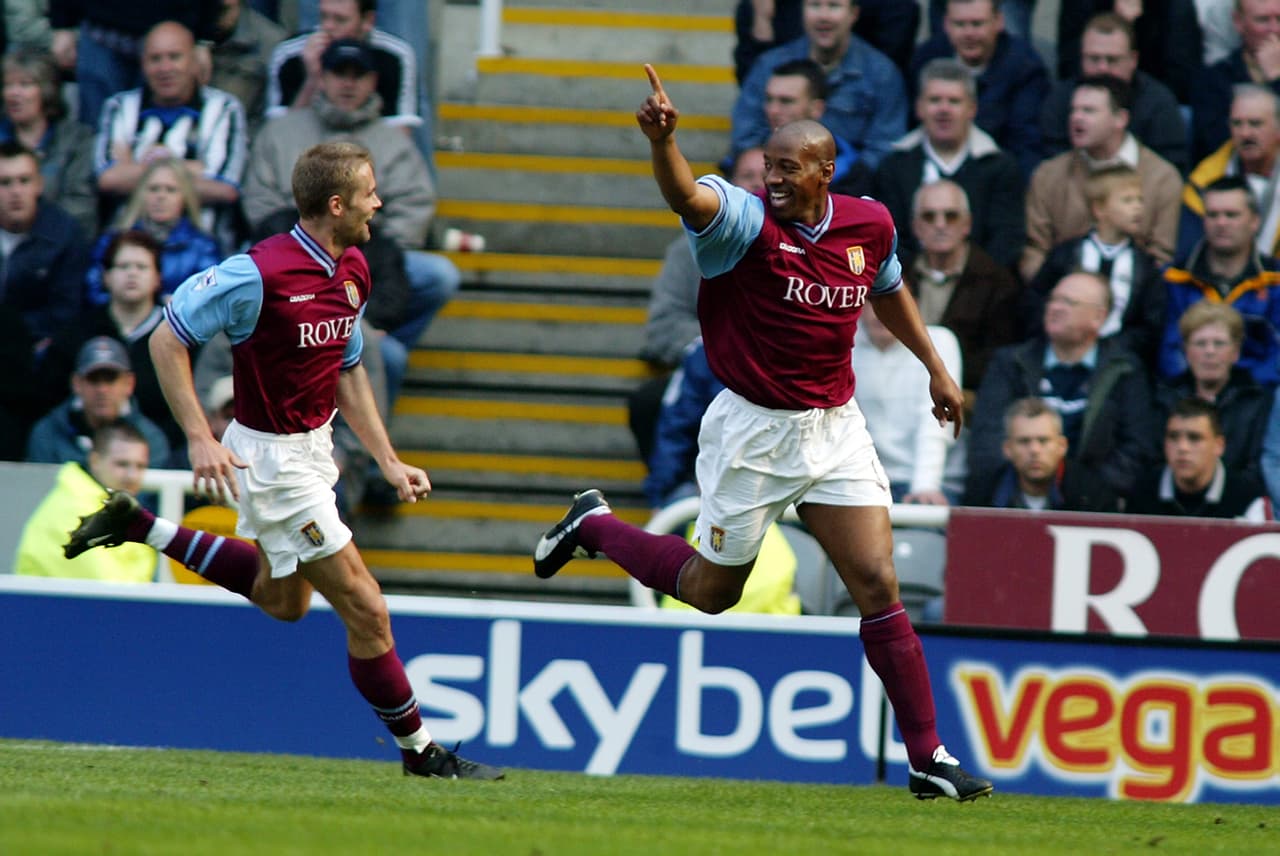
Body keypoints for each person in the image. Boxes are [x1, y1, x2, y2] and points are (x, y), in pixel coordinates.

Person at [534, 65, 993, 802]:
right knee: (713, 592)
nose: (772, 178)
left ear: (825, 170)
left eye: (787, 168)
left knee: (878, 583)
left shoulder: (868, 223)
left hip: (834, 428)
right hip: (752, 433)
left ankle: (927, 757)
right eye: (767, 166)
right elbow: (688, 194)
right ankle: (597, 526)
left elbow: (889, 286)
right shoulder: (743, 222)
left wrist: (935, 368)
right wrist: (665, 144)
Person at [63, 141, 502, 781]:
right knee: (367, 609)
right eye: (368, 192)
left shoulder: (354, 266)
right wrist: (197, 436)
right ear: (335, 204)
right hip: (271, 463)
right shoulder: (256, 273)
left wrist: (385, 456)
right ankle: (422, 754)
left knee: (285, 602)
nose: (378, 202)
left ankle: (140, 527)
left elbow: (347, 366)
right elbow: (166, 337)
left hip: (315, 448)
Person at [244, 38, 459, 405]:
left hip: (371, 253)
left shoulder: (393, 142)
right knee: (239, 265)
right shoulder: (281, 132)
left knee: (439, 276)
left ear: (373, 81)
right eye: (338, 73)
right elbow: (259, 204)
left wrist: (367, 246)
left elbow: (414, 208)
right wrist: (308, 247)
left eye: (358, 75)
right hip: (290, 252)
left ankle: (369, 343)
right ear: (321, 77)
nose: (348, 83)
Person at [967, 271, 1159, 503]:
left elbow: (1137, 449)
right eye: (1053, 299)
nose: (1055, 308)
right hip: (1015, 499)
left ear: (1098, 318)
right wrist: (1026, 486)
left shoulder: (1126, 370)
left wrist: (1085, 491)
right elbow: (987, 440)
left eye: (1068, 302)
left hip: (1094, 504)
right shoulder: (1010, 363)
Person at [631, 147, 767, 462]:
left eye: (765, 177)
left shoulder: (799, 245)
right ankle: (672, 498)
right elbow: (664, 326)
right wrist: (725, 345)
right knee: (649, 404)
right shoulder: (686, 251)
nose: (757, 185)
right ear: (730, 185)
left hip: (775, 375)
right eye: (747, 177)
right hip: (706, 370)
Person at [94, 21, 248, 246]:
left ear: (195, 61)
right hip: (130, 253)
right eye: (155, 59)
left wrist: (136, 168)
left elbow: (225, 189)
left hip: (206, 254)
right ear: (142, 63)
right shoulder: (119, 106)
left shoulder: (224, 108)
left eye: (174, 57)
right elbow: (108, 180)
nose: (165, 68)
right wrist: (191, 168)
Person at [1020, 75, 1182, 284]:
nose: (1076, 118)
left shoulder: (1163, 178)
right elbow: (1034, 249)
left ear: (1120, 119)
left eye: (1089, 111)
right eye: (1074, 110)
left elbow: (1162, 256)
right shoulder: (1047, 175)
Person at [37, 231, 182, 458]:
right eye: (123, 266)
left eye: (142, 267)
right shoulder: (76, 331)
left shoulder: (177, 335)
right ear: (105, 277)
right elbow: (49, 398)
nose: (132, 274)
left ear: (158, 278)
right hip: (78, 449)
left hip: (157, 453)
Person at [873, 58, 1025, 269]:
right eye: (935, 100)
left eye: (954, 101)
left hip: (981, 290)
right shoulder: (893, 166)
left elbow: (1005, 242)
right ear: (919, 107)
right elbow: (889, 240)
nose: (943, 110)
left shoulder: (1000, 167)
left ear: (972, 108)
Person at [730, 0, 907, 171]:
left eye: (834, 5)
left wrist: (848, 175)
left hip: (854, 186)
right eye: (814, 5)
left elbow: (886, 145)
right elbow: (746, 136)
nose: (823, 16)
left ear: (853, 13)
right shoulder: (769, 66)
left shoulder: (882, 73)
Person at [1025, 164, 1166, 366]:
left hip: (1120, 362)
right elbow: (1035, 301)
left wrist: (1117, 347)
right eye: (1127, 200)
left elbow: (1151, 323)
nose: (1138, 207)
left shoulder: (1145, 266)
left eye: (1140, 200)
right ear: (1099, 209)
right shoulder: (1066, 255)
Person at [899, 180, 1021, 404]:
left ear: (967, 224)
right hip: (899, 393)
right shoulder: (896, 277)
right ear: (916, 226)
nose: (940, 224)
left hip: (967, 399)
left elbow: (998, 358)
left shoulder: (997, 282)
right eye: (929, 216)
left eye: (951, 216)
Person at [1160, 175, 1280, 386]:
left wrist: (1241, 392)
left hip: (1258, 399)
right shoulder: (1173, 278)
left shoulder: (1275, 280)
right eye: (1213, 215)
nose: (1221, 223)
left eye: (1231, 215)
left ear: (1254, 221)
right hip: (1188, 397)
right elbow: (1168, 349)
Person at [909, 0, 1051, 178]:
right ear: (945, 24)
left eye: (977, 24)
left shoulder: (1024, 66)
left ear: (999, 21)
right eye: (960, 24)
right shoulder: (926, 59)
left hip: (997, 174)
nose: (969, 33)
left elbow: (1025, 142)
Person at [1039, 12, 1189, 174]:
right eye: (1094, 59)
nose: (1103, 68)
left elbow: (1172, 172)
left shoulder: (1159, 104)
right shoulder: (1060, 100)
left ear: (1133, 60)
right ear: (1081, 58)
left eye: (1112, 60)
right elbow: (1050, 164)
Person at [853, 300, 966, 505]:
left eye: (892, 303)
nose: (882, 311)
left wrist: (925, 486)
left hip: (935, 483)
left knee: (919, 533)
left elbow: (936, 424)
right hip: (865, 483)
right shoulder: (845, 344)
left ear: (911, 308)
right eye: (872, 303)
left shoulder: (939, 340)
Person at [15, 421, 156, 582]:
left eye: (140, 466)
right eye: (122, 464)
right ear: (95, 461)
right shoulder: (73, 508)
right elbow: (108, 592)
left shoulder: (113, 509)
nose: (132, 476)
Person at [1156, 301, 1271, 483]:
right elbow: (1155, 460)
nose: (1209, 351)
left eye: (1219, 343)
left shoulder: (1257, 399)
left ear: (1236, 352)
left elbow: (1256, 465)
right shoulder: (1165, 397)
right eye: (1200, 343)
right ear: (1186, 350)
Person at [0, 140, 92, 364]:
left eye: (24, 180)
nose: (16, 192)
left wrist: (12, 333)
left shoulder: (64, 234)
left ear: (39, 184)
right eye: (5, 182)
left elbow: (65, 311)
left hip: (37, 351)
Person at [85, 158, 223, 306]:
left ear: (184, 197)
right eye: (154, 189)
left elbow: (211, 299)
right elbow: (93, 291)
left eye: (170, 190)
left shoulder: (203, 247)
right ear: (141, 194)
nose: (160, 197)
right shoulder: (112, 242)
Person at [265, 0, 419, 130]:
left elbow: (400, 139)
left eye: (340, 20)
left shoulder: (395, 56)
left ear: (368, 21)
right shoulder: (290, 54)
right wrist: (312, 80)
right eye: (324, 17)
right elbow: (278, 138)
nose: (328, 27)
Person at [27, 336, 171, 468]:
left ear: (129, 383)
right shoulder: (47, 434)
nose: (102, 389)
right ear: (76, 383)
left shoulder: (151, 439)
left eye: (110, 379)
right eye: (93, 379)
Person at [0, 48, 98, 237]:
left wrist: (32, 224)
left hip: (57, 246)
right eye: (8, 85)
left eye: (24, 84)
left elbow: (81, 208)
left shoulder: (76, 140)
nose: (13, 93)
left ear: (46, 90)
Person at [961, 397, 1119, 511]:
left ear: (1062, 446)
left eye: (1043, 441)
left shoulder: (1092, 494)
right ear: (1007, 449)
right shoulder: (983, 494)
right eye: (1024, 441)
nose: (1034, 450)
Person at [1128, 397, 1273, 520]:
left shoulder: (1247, 499)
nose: (1182, 447)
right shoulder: (1142, 493)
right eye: (1173, 437)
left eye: (1194, 438)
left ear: (1219, 446)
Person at [1179, 85, 1280, 260]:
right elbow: (1191, 254)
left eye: (1255, 124)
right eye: (1237, 124)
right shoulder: (1204, 180)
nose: (1246, 133)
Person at [754, 58, 874, 196]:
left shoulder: (850, 172)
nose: (773, 110)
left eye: (786, 101)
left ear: (817, 109)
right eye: (769, 99)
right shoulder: (749, 158)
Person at [1056, 0, 1203, 107]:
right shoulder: (1080, 4)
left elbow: (1181, 79)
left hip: (1150, 100)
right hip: (1087, 96)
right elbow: (1069, 63)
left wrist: (1135, 27)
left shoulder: (1175, 7)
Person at [1190, 0, 1280, 162]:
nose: (1274, 29)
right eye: (1263, 20)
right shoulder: (1214, 80)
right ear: (1239, 22)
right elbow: (1215, 143)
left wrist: (1276, 80)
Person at [208, 0, 287, 127]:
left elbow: (277, 115)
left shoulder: (272, 43)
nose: (214, 18)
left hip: (248, 137)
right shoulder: (184, 36)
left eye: (220, 10)